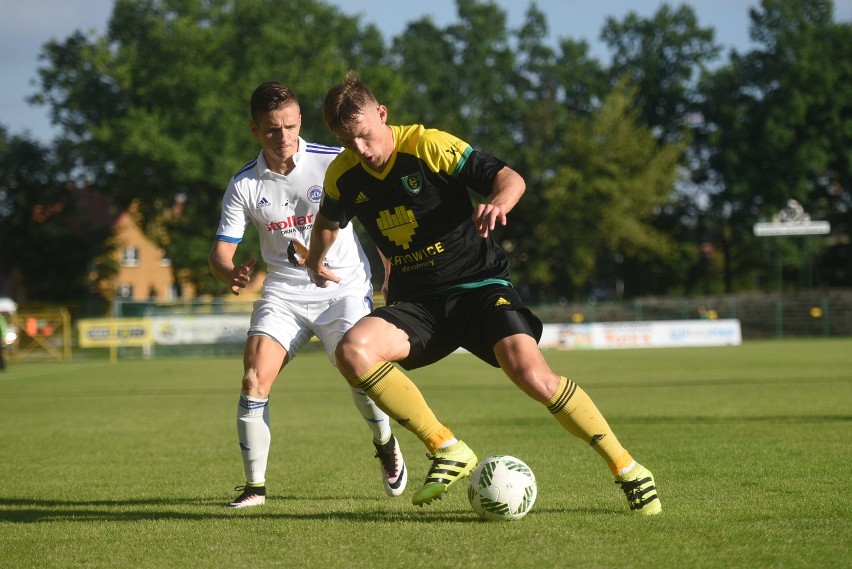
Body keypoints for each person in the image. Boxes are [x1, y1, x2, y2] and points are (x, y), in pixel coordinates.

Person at [305, 71, 661, 515]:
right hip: (418, 305)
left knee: (533, 376)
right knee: (353, 351)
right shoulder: (344, 175)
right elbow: (328, 222)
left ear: (383, 115)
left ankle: (628, 468)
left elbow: (510, 178)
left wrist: (499, 202)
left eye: (365, 136)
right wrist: (315, 260)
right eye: (347, 141)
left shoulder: (428, 145)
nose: (362, 150)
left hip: (479, 286)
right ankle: (447, 447)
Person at [209, 81, 407, 509]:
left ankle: (385, 442)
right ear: (254, 129)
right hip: (283, 293)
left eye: (291, 126)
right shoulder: (243, 185)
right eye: (271, 130)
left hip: (344, 288)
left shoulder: (334, 160)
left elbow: (379, 221)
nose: (283, 138)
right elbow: (220, 253)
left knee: (361, 374)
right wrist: (231, 271)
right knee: (253, 380)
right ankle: (255, 488)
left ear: (299, 121)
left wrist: (391, 275)